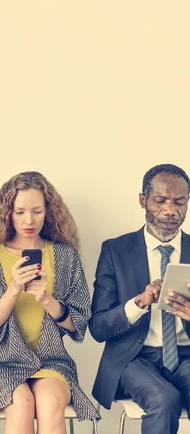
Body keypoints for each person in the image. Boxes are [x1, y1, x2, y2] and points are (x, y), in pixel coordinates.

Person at [0, 171, 99, 434]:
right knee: (21, 403)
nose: (29, 220)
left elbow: (79, 323)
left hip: (51, 361)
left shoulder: (65, 256)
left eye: (37, 211)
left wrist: (48, 300)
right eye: (19, 212)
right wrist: (14, 289)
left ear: (48, 211)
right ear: (7, 212)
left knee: (51, 402)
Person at [90, 163, 190, 434]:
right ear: (143, 200)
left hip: (186, 357)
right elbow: (98, 328)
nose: (170, 210)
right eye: (160, 201)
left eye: (180, 202)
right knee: (164, 400)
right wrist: (139, 303)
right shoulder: (116, 250)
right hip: (135, 357)